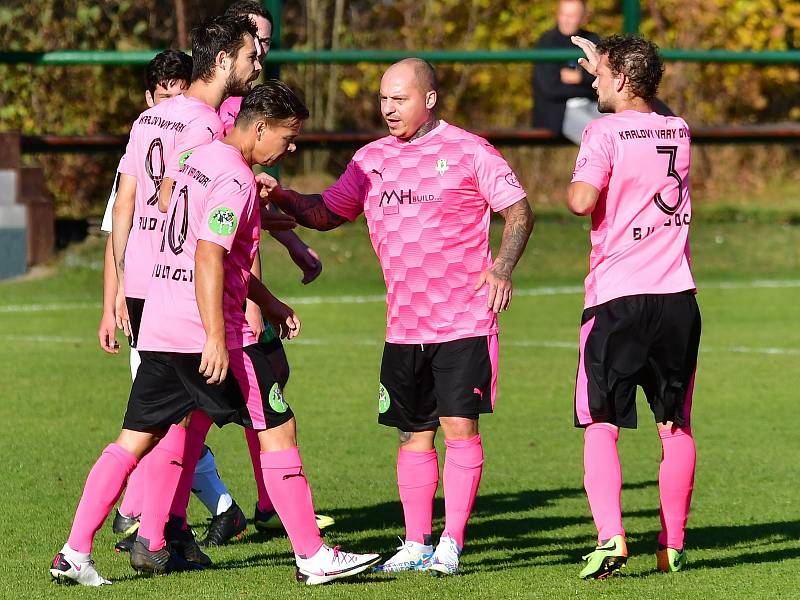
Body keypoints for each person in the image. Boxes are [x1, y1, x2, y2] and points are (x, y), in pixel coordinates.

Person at [263, 58, 534, 576]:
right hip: (404, 325)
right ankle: (415, 542)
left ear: (428, 99)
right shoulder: (370, 160)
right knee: (413, 433)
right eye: (384, 98)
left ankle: (451, 543)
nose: (388, 108)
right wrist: (284, 197)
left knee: (459, 426)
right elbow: (327, 213)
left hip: (462, 320)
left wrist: (501, 267)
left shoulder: (469, 150)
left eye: (400, 98)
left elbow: (519, 212)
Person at [134, 80, 379, 584]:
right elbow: (211, 255)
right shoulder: (235, 177)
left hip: (172, 318)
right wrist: (218, 334)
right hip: (221, 329)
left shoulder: (197, 157)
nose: (290, 148)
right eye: (287, 138)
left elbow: (185, 221)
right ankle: (311, 555)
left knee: (184, 424)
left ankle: (154, 534)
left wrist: (271, 300)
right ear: (260, 127)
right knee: (277, 428)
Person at [49, 14, 261, 586]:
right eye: (249, 56)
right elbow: (179, 204)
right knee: (216, 417)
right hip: (182, 287)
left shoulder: (148, 118)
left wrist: (116, 287)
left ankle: (156, 534)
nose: (256, 64)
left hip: (144, 282)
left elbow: (127, 202)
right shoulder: (207, 129)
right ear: (221, 62)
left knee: (165, 419)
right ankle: (163, 528)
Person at [568, 34, 700, 579]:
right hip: (678, 299)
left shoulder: (602, 132)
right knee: (676, 425)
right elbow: (651, 116)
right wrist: (616, 65)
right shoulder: (678, 129)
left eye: (600, 74)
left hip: (618, 297)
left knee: (601, 422)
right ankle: (672, 542)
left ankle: (611, 537)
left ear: (621, 79)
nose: (593, 80)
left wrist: (584, 178)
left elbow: (580, 202)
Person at [532, 0, 601, 143]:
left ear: (583, 18)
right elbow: (550, 89)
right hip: (559, 113)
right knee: (598, 138)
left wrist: (580, 78)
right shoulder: (546, 42)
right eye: (563, 15)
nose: (566, 20)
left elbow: (605, 79)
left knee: (622, 127)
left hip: (593, 106)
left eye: (572, 16)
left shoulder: (591, 40)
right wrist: (588, 83)